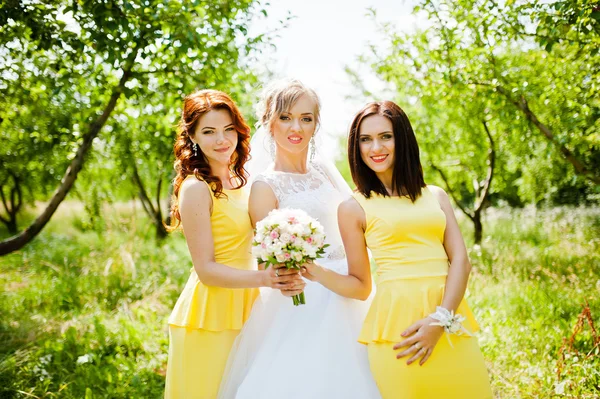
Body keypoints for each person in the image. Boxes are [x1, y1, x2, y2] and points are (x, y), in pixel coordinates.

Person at [303, 101, 493, 398]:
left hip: (449, 319)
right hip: (398, 333)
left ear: (402, 138)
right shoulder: (353, 208)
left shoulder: (436, 196)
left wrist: (440, 320)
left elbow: (461, 262)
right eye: (365, 139)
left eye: (385, 136)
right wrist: (314, 271)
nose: (375, 147)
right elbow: (360, 285)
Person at [218, 80, 381, 399]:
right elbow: (268, 264)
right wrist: (298, 264)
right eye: (286, 117)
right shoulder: (265, 187)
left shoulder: (325, 171)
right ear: (268, 121)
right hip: (304, 301)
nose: (297, 127)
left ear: (316, 124)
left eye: (306, 118)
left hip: (351, 285)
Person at [164, 89, 305, 399]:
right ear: (193, 137)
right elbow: (207, 270)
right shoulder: (196, 188)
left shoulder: (241, 182)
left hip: (248, 304)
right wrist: (268, 279)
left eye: (228, 129)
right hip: (210, 315)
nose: (221, 140)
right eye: (209, 132)